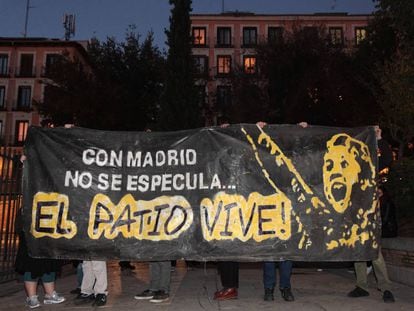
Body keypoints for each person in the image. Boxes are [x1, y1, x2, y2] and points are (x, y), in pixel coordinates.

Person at [347, 125, 395, 303]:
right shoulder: (350, 166)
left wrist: (380, 139)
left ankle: (386, 287)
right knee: (358, 248)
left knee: (375, 249)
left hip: (370, 210)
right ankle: (361, 285)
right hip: (354, 211)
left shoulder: (370, 163)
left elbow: (387, 160)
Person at [15, 156, 66, 309]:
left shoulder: (54, 178)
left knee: (48, 261)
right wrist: (24, 162)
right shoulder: (31, 178)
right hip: (31, 224)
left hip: (49, 223)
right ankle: (32, 297)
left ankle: (50, 294)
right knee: (31, 261)